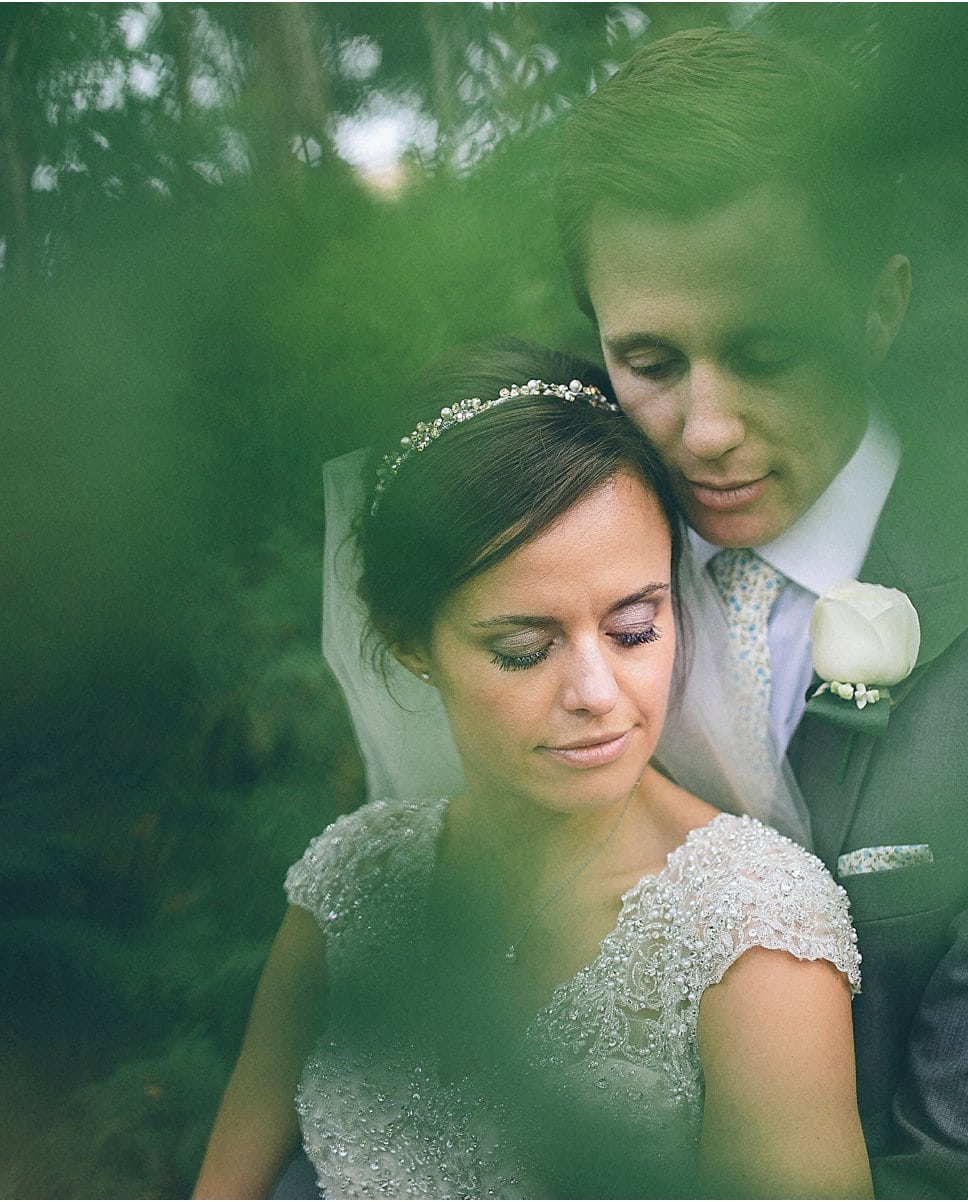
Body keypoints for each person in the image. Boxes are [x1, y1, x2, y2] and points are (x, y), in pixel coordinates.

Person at [550, 28, 968, 1199]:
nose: (706, 428)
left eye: (768, 348)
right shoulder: (529, 585)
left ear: (880, 305)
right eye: (649, 359)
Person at [193, 340, 871, 1199]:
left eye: (633, 629)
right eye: (523, 648)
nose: (596, 692)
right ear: (411, 644)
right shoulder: (352, 882)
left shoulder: (753, 933)